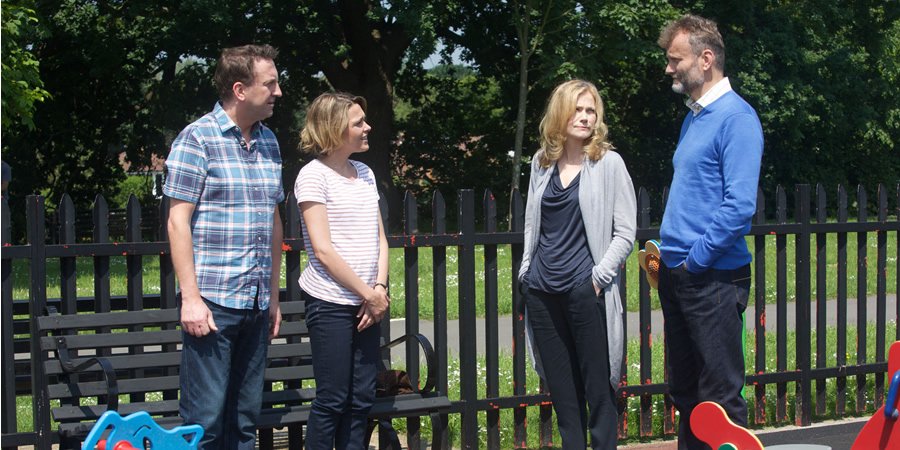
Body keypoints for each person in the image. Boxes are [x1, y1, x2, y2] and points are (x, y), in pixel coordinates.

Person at [164, 44, 284, 449]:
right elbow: (177, 221)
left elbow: (272, 219)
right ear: (239, 89)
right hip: (213, 304)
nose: (278, 91)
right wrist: (191, 299)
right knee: (205, 423)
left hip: (254, 303)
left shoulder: (270, 143)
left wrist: (271, 297)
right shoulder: (197, 139)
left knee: (244, 422)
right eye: (270, 84)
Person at [657, 14, 764, 450]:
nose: (669, 69)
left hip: (714, 276)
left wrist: (695, 260)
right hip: (680, 272)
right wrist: (673, 261)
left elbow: (740, 206)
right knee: (686, 395)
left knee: (719, 400)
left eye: (675, 59)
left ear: (705, 59)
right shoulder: (695, 118)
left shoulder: (737, 119)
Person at [518, 79, 636, 449]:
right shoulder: (542, 162)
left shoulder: (608, 163)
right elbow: (531, 224)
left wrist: (598, 280)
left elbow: (626, 232)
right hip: (541, 292)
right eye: (578, 109)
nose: (585, 117)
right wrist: (526, 272)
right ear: (561, 112)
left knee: (599, 393)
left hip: (585, 293)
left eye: (591, 110)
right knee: (564, 399)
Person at [294, 92, 390, 449]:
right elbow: (322, 250)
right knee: (333, 398)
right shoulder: (312, 176)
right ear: (335, 129)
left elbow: (380, 238)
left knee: (361, 398)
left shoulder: (364, 172)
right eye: (358, 123)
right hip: (331, 303)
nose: (368, 127)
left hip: (369, 305)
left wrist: (378, 289)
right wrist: (369, 295)